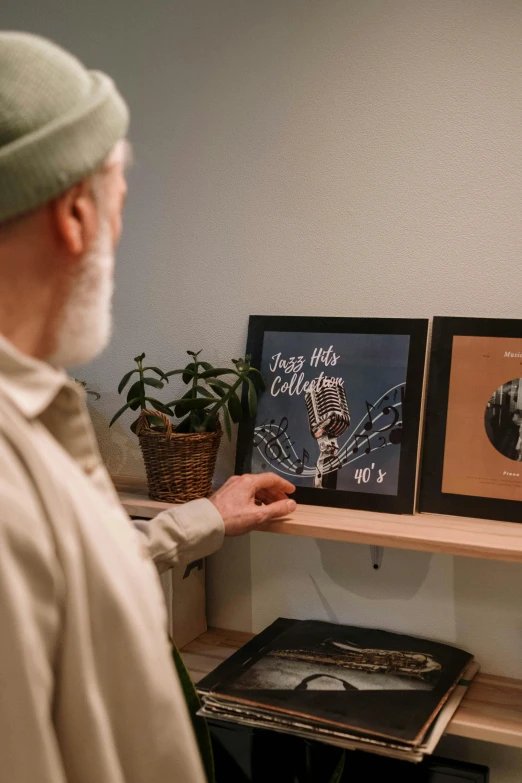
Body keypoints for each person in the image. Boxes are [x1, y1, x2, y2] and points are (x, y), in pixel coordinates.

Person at [0, 32, 297, 783]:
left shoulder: (31, 424)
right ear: (74, 216)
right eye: (118, 200)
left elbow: (65, 588)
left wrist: (205, 516)